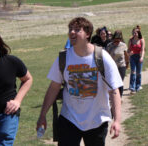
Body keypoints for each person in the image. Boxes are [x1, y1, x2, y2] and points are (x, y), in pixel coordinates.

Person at [37, 17, 122, 146]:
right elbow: (54, 87)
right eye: (70, 29)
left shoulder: (102, 57)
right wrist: (42, 114)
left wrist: (117, 120)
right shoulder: (64, 57)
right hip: (69, 119)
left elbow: (114, 90)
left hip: (96, 120)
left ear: (88, 34)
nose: (72, 32)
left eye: (77, 30)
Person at [106, 30, 129, 97]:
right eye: (115, 40)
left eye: (118, 40)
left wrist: (127, 63)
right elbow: (106, 56)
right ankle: (114, 97)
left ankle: (120, 97)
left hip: (121, 66)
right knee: (113, 82)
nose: (116, 42)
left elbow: (126, 55)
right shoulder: (109, 46)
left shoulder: (123, 45)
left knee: (120, 82)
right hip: (112, 67)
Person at [128, 28, 145, 94]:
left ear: (138, 33)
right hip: (132, 57)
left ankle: (138, 86)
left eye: (136, 33)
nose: (135, 34)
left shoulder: (141, 40)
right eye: (134, 33)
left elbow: (143, 50)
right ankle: (132, 87)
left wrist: (142, 57)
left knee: (139, 72)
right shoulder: (130, 40)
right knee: (133, 72)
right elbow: (128, 50)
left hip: (139, 57)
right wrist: (129, 53)